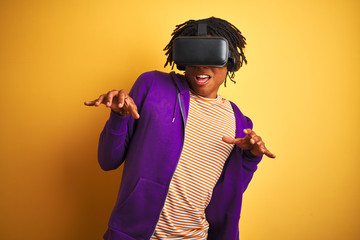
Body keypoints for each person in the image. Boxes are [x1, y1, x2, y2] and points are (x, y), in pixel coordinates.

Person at [84, 17, 275, 240]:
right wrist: (118, 118)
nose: (201, 64)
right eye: (194, 52)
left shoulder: (239, 122)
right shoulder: (152, 86)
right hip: (134, 235)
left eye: (212, 54)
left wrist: (251, 158)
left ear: (230, 60)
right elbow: (108, 160)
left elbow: (229, 195)